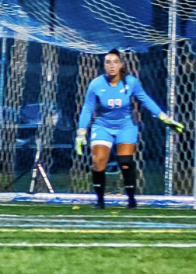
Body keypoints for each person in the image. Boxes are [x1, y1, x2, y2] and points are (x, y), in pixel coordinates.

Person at [75, 48, 183, 209]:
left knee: (125, 161)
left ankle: (131, 199)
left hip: (125, 126)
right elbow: (87, 108)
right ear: (104, 65)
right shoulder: (96, 84)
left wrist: (164, 117)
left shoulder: (131, 82)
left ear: (121, 65)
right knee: (98, 162)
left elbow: (145, 100)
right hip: (103, 126)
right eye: (108, 62)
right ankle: (99, 201)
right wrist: (81, 131)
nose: (111, 65)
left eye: (115, 62)